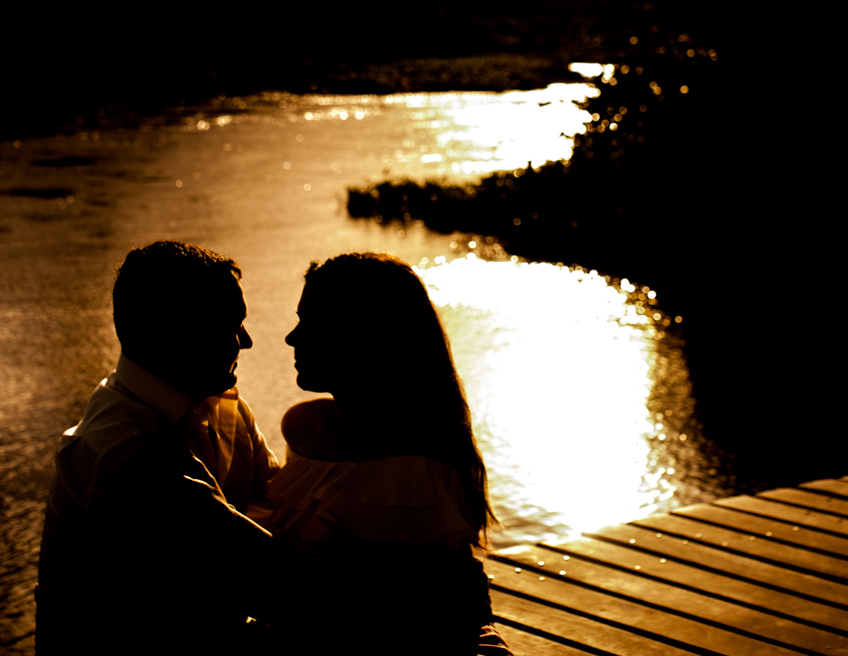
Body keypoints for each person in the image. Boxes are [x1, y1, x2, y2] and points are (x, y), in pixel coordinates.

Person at [35, 242, 285, 649]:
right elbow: (277, 582)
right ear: (178, 333)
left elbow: (287, 506)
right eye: (231, 326)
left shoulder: (217, 404)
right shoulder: (125, 454)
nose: (247, 341)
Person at [266, 252, 512, 652]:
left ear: (361, 345)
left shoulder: (402, 478)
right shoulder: (310, 430)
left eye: (309, 325)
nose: (292, 338)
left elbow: (379, 624)